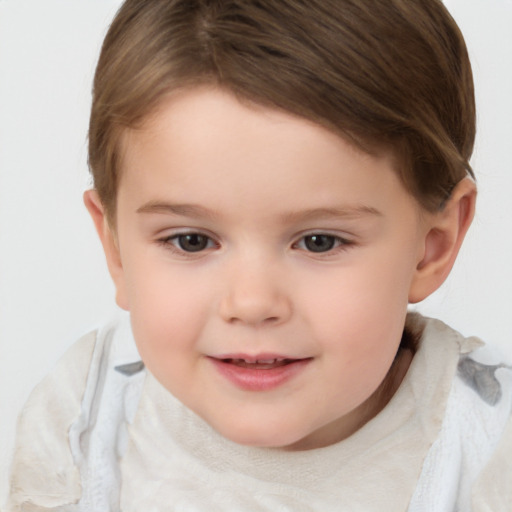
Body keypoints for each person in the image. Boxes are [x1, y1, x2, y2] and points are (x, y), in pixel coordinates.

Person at [6, 0, 512, 510]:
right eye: (191, 241)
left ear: (432, 246)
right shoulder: (84, 419)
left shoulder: (489, 449)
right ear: (115, 248)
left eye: (319, 241)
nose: (251, 303)